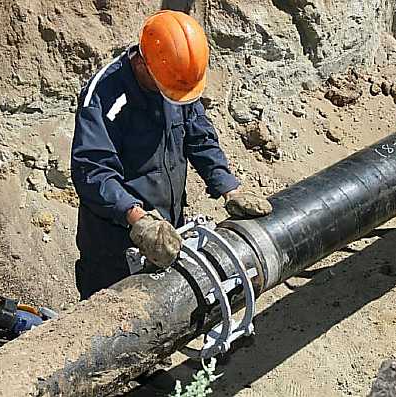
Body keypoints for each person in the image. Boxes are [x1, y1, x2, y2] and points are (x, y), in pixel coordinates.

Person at [71, 10, 272, 300]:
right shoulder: (104, 98)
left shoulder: (174, 79)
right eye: (167, 89)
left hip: (165, 229)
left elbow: (199, 135)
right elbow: (92, 171)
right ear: (142, 63)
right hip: (115, 242)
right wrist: (137, 218)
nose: (173, 97)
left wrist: (228, 187)